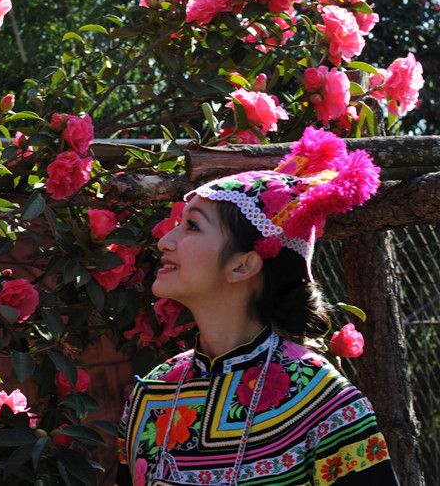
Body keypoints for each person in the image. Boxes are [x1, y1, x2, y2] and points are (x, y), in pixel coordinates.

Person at [117, 127, 400, 485]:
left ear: (243, 265)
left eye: (192, 226)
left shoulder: (323, 403)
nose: (166, 241)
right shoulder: (151, 394)